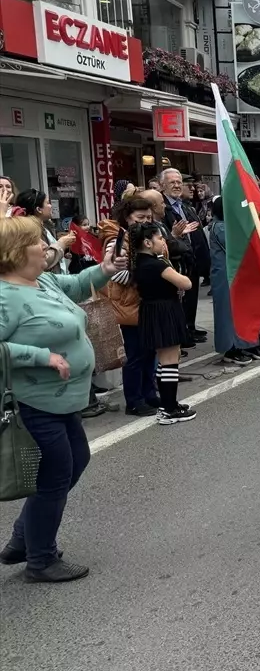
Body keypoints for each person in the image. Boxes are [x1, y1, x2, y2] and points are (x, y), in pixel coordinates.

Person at [0, 216, 126, 582]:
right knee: (55, 475)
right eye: (38, 243)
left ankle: (24, 538)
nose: (47, 247)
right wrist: (42, 357)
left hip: (62, 401)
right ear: (16, 253)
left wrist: (102, 270)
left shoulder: (41, 281)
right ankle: (40, 559)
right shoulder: (6, 297)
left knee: (75, 461)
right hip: (34, 402)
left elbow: (74, 284)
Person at [129, 222, 197, 425]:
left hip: (153, 310)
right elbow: (186, 282)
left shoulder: (140, 262)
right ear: (148, 242)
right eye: (159, 238)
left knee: (167, 359)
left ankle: (169, 404)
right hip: (163, 311)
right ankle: (168, 410)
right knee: (169, 361)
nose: (163, 241)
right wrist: (167, 262)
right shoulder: (156, 264)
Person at [99, 196, 161, 416]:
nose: (144, 221)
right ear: (127, 218)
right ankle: (134, 400)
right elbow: (117, 274)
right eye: (139, 218)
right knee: (135, 355)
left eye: (148, 217)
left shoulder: (142, 237)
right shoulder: (117, 240)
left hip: (144, 303)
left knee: (149, 351)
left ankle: (149, 393)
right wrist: (147, 274)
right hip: (128, 306)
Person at [209, 197, 260, 366]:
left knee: (243, 310)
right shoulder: (219, 227)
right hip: (225, 277)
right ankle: (231, 348)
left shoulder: (227, 226)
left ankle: (247, 344)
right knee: (228, 313)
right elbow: (237, 247)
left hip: (238, 274)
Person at [160, 168, 209, 346]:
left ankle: (190, 327)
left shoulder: (184, 205)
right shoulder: (163, 207)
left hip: (191, 257)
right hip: (176, 259)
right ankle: (183, 333)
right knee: (180, 298)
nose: (177, 185)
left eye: (179, 182)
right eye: (172, 182)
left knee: (192, 296)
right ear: (162, 185)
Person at [13, 189, 72, 273]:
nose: (51, 206)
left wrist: (64, 250)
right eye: (47, 203)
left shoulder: (47, 226)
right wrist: (61, 244)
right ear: (39, 209)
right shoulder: (28, 231)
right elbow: (42, 260)